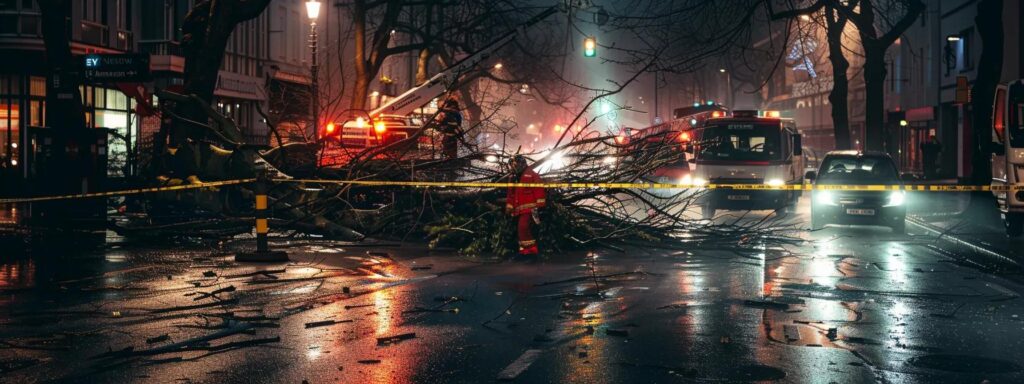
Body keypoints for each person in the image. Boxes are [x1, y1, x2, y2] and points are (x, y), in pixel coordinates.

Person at [506, 155, 546, 256]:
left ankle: (531, 252)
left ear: (522, 164)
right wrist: (509, 207)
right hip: (518, 210)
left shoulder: (532, 175)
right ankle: (524, 252)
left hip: (530, 210)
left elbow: (539, 190)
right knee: (520, 230)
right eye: (512, 165)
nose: (514, 167)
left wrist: (540, 206)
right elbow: (510, 194)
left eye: (515, 165)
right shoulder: (513, 178)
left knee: (523, 228)